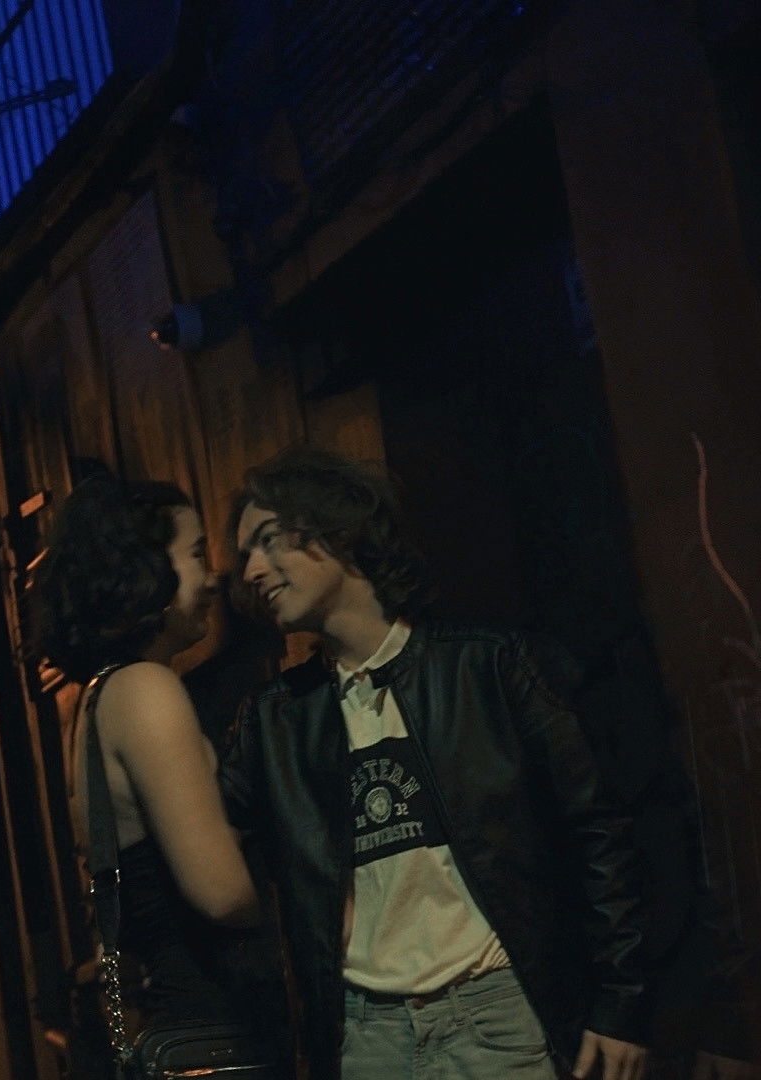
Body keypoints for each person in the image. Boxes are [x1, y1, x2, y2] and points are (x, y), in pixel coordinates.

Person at [219, 447, 651, 1080]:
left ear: (337, 527)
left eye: (267, 539)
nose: (253, 570)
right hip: (366, 1037)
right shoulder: (275, 721)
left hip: (498, 1017)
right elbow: (208, 846)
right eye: (244, 555)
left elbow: (599, 833)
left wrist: (621, 1004)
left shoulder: (488, 668)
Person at [30, 473, 263, 1034]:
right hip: (214, 1025)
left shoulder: (102, 698)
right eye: (195, 554)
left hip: (177, 1021)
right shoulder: (144, 690)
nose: (213, 578)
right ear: (146, 570)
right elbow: (223, 893)